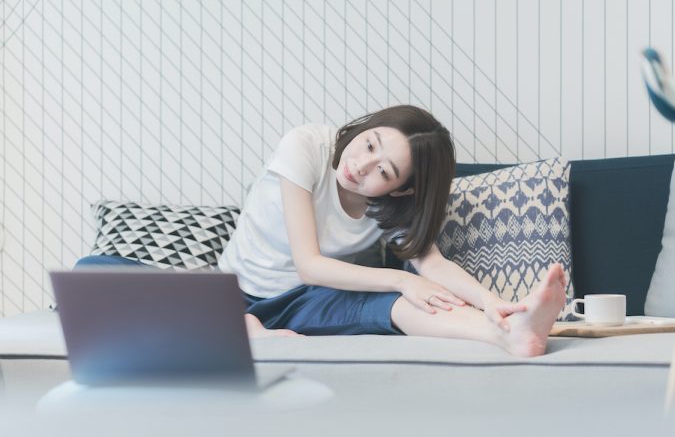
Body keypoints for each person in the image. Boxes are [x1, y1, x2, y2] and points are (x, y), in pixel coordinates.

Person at [76, 105, 567, 357]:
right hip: (227, 293)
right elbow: (310, 259)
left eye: (386, 172)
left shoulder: (386, 210)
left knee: (405, 304)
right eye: (370, 143)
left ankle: (508, 337)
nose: (362, 164)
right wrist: (401, 277)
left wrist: (493, 305)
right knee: (91, 271)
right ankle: (242, 326)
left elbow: (431, 264)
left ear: (399, 192)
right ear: (365, 128)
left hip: (304, 301)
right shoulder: (308, 145)